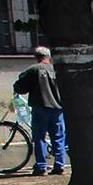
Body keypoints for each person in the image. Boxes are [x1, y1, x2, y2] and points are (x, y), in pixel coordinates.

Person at [14, 46, 67, 176]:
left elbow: (20, 87)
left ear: (36, 57)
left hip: (40, 107)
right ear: (48, 56)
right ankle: (59, 164)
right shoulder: (57, 70)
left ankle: (41, 166)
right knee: (58, 137)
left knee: (39, 137)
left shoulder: (33, 70)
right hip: (57, 108)